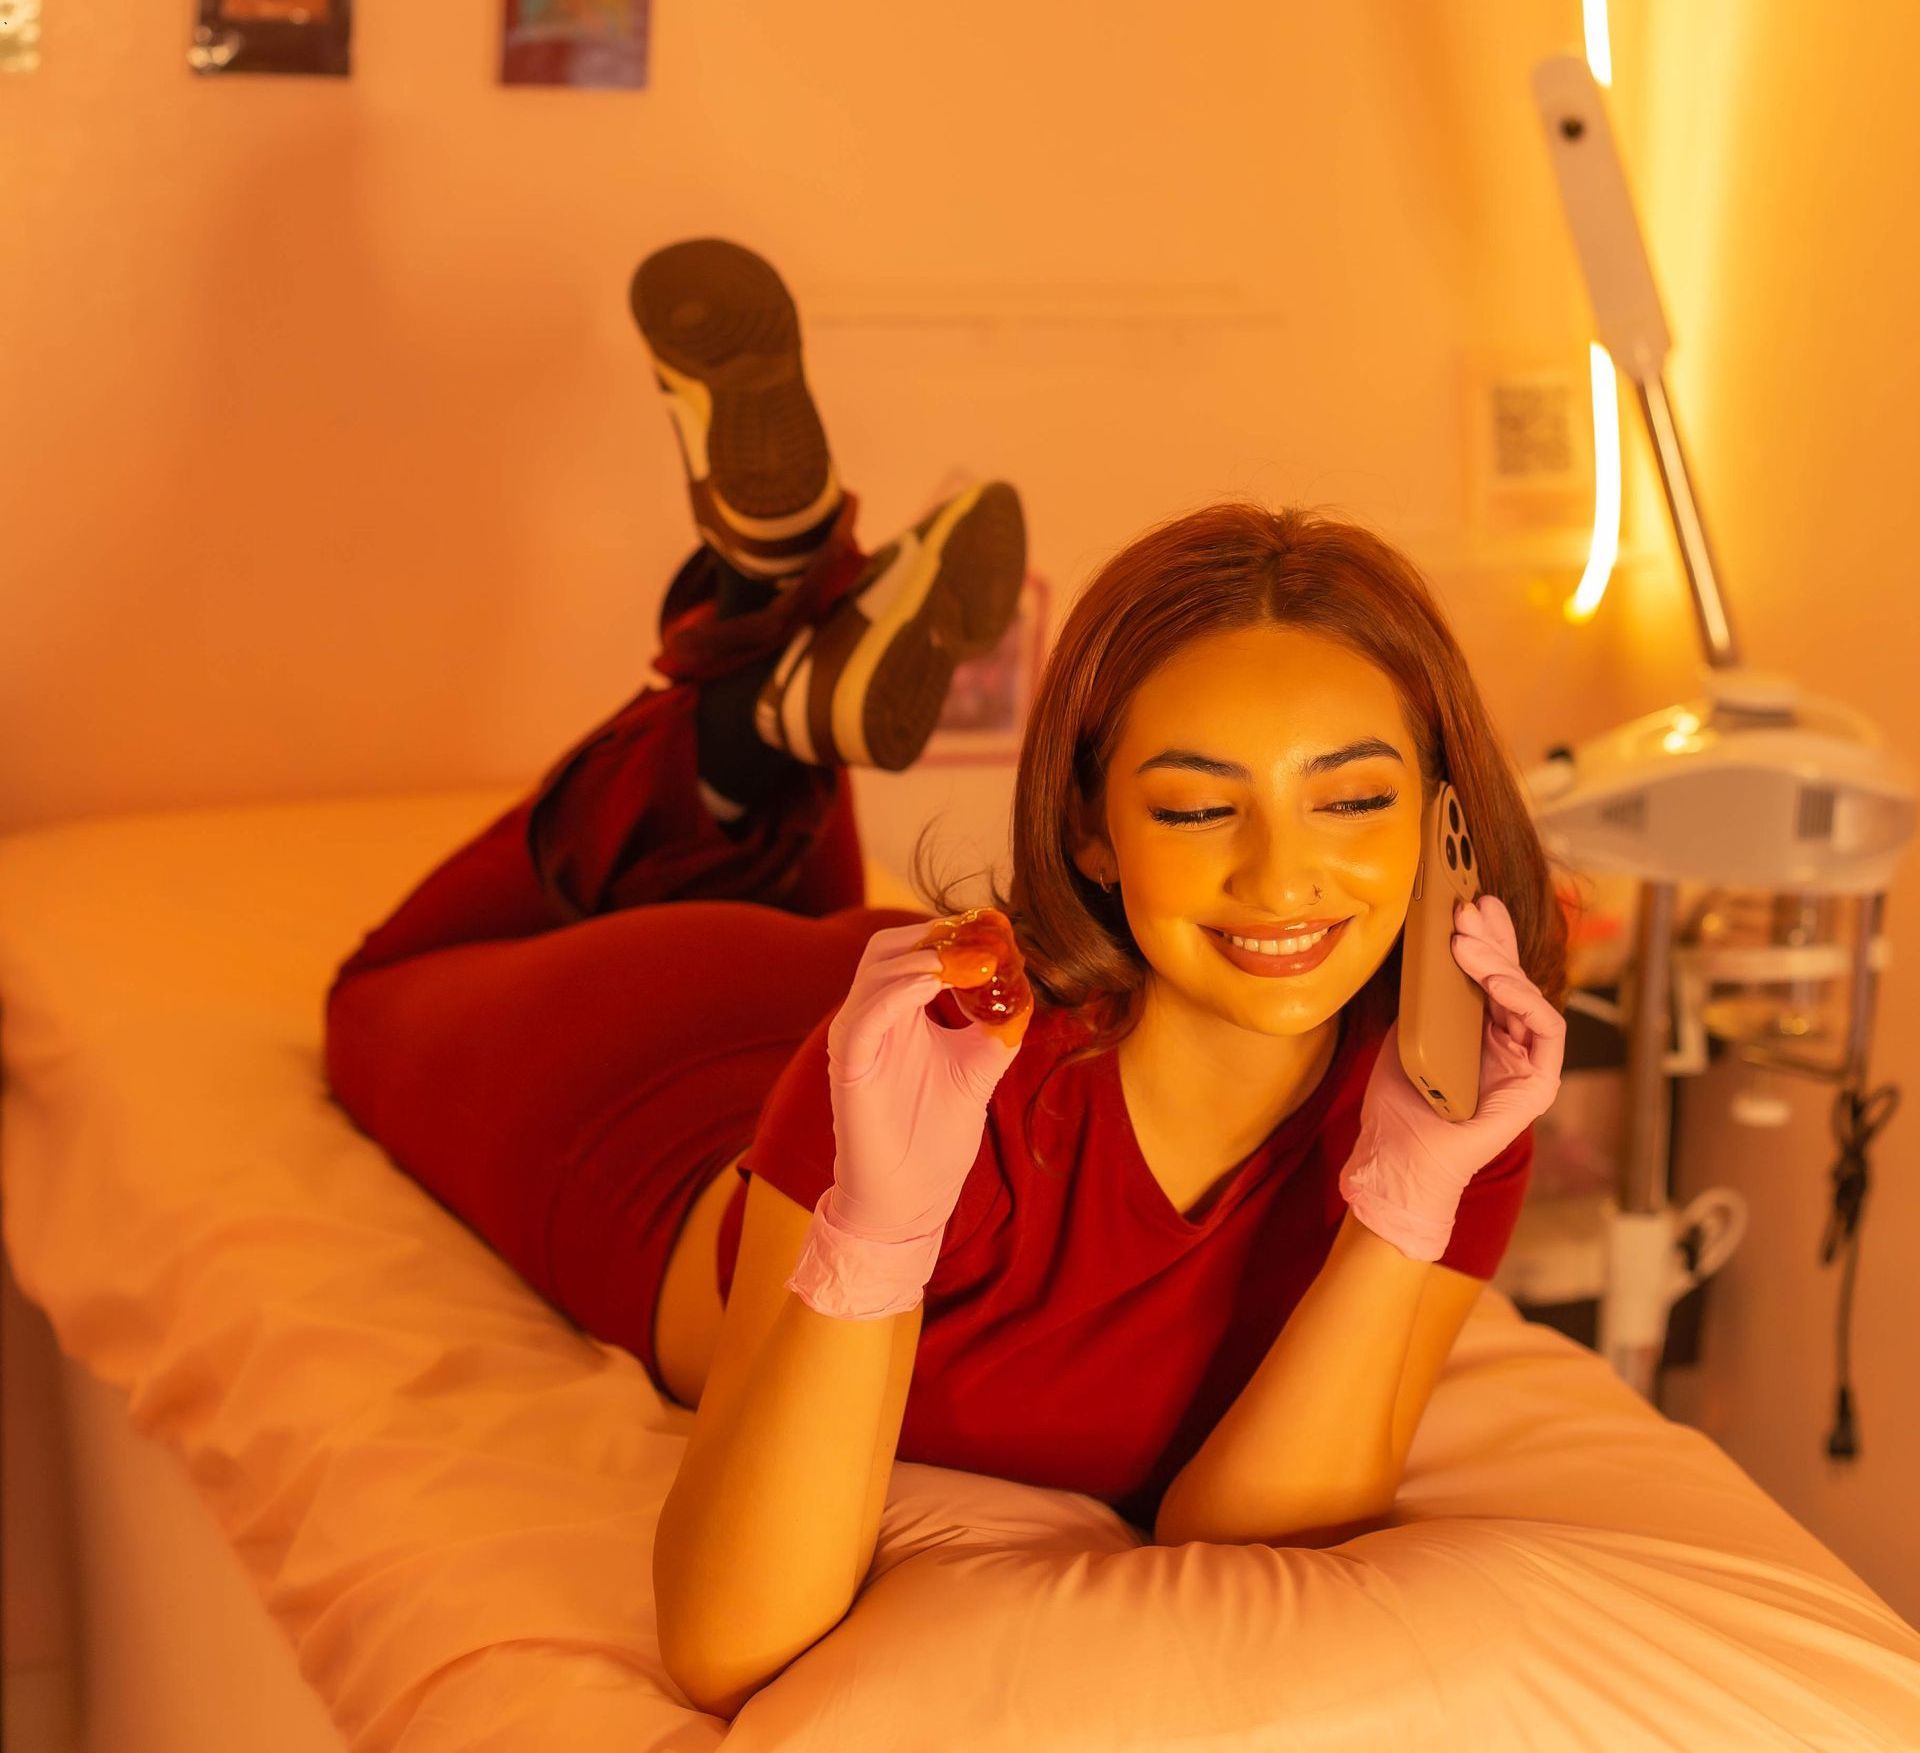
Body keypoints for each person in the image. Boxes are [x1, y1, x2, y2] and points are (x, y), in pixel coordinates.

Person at [323, 238, 1569, 1719]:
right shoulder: (930, 1102)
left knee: (762, 865)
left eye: (1352, 801)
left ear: (1444, 812)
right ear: (1095, 835)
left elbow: (1247, 1546)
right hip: (678, 1087)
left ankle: (771, 668)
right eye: (1192, 805)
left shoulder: (1450, 1101)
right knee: (383, 992)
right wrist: (871, 1226)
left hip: (908, 1004)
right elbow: (728, 1648)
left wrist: (1404, 1200)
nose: (1281, 876)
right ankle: (760, 685)